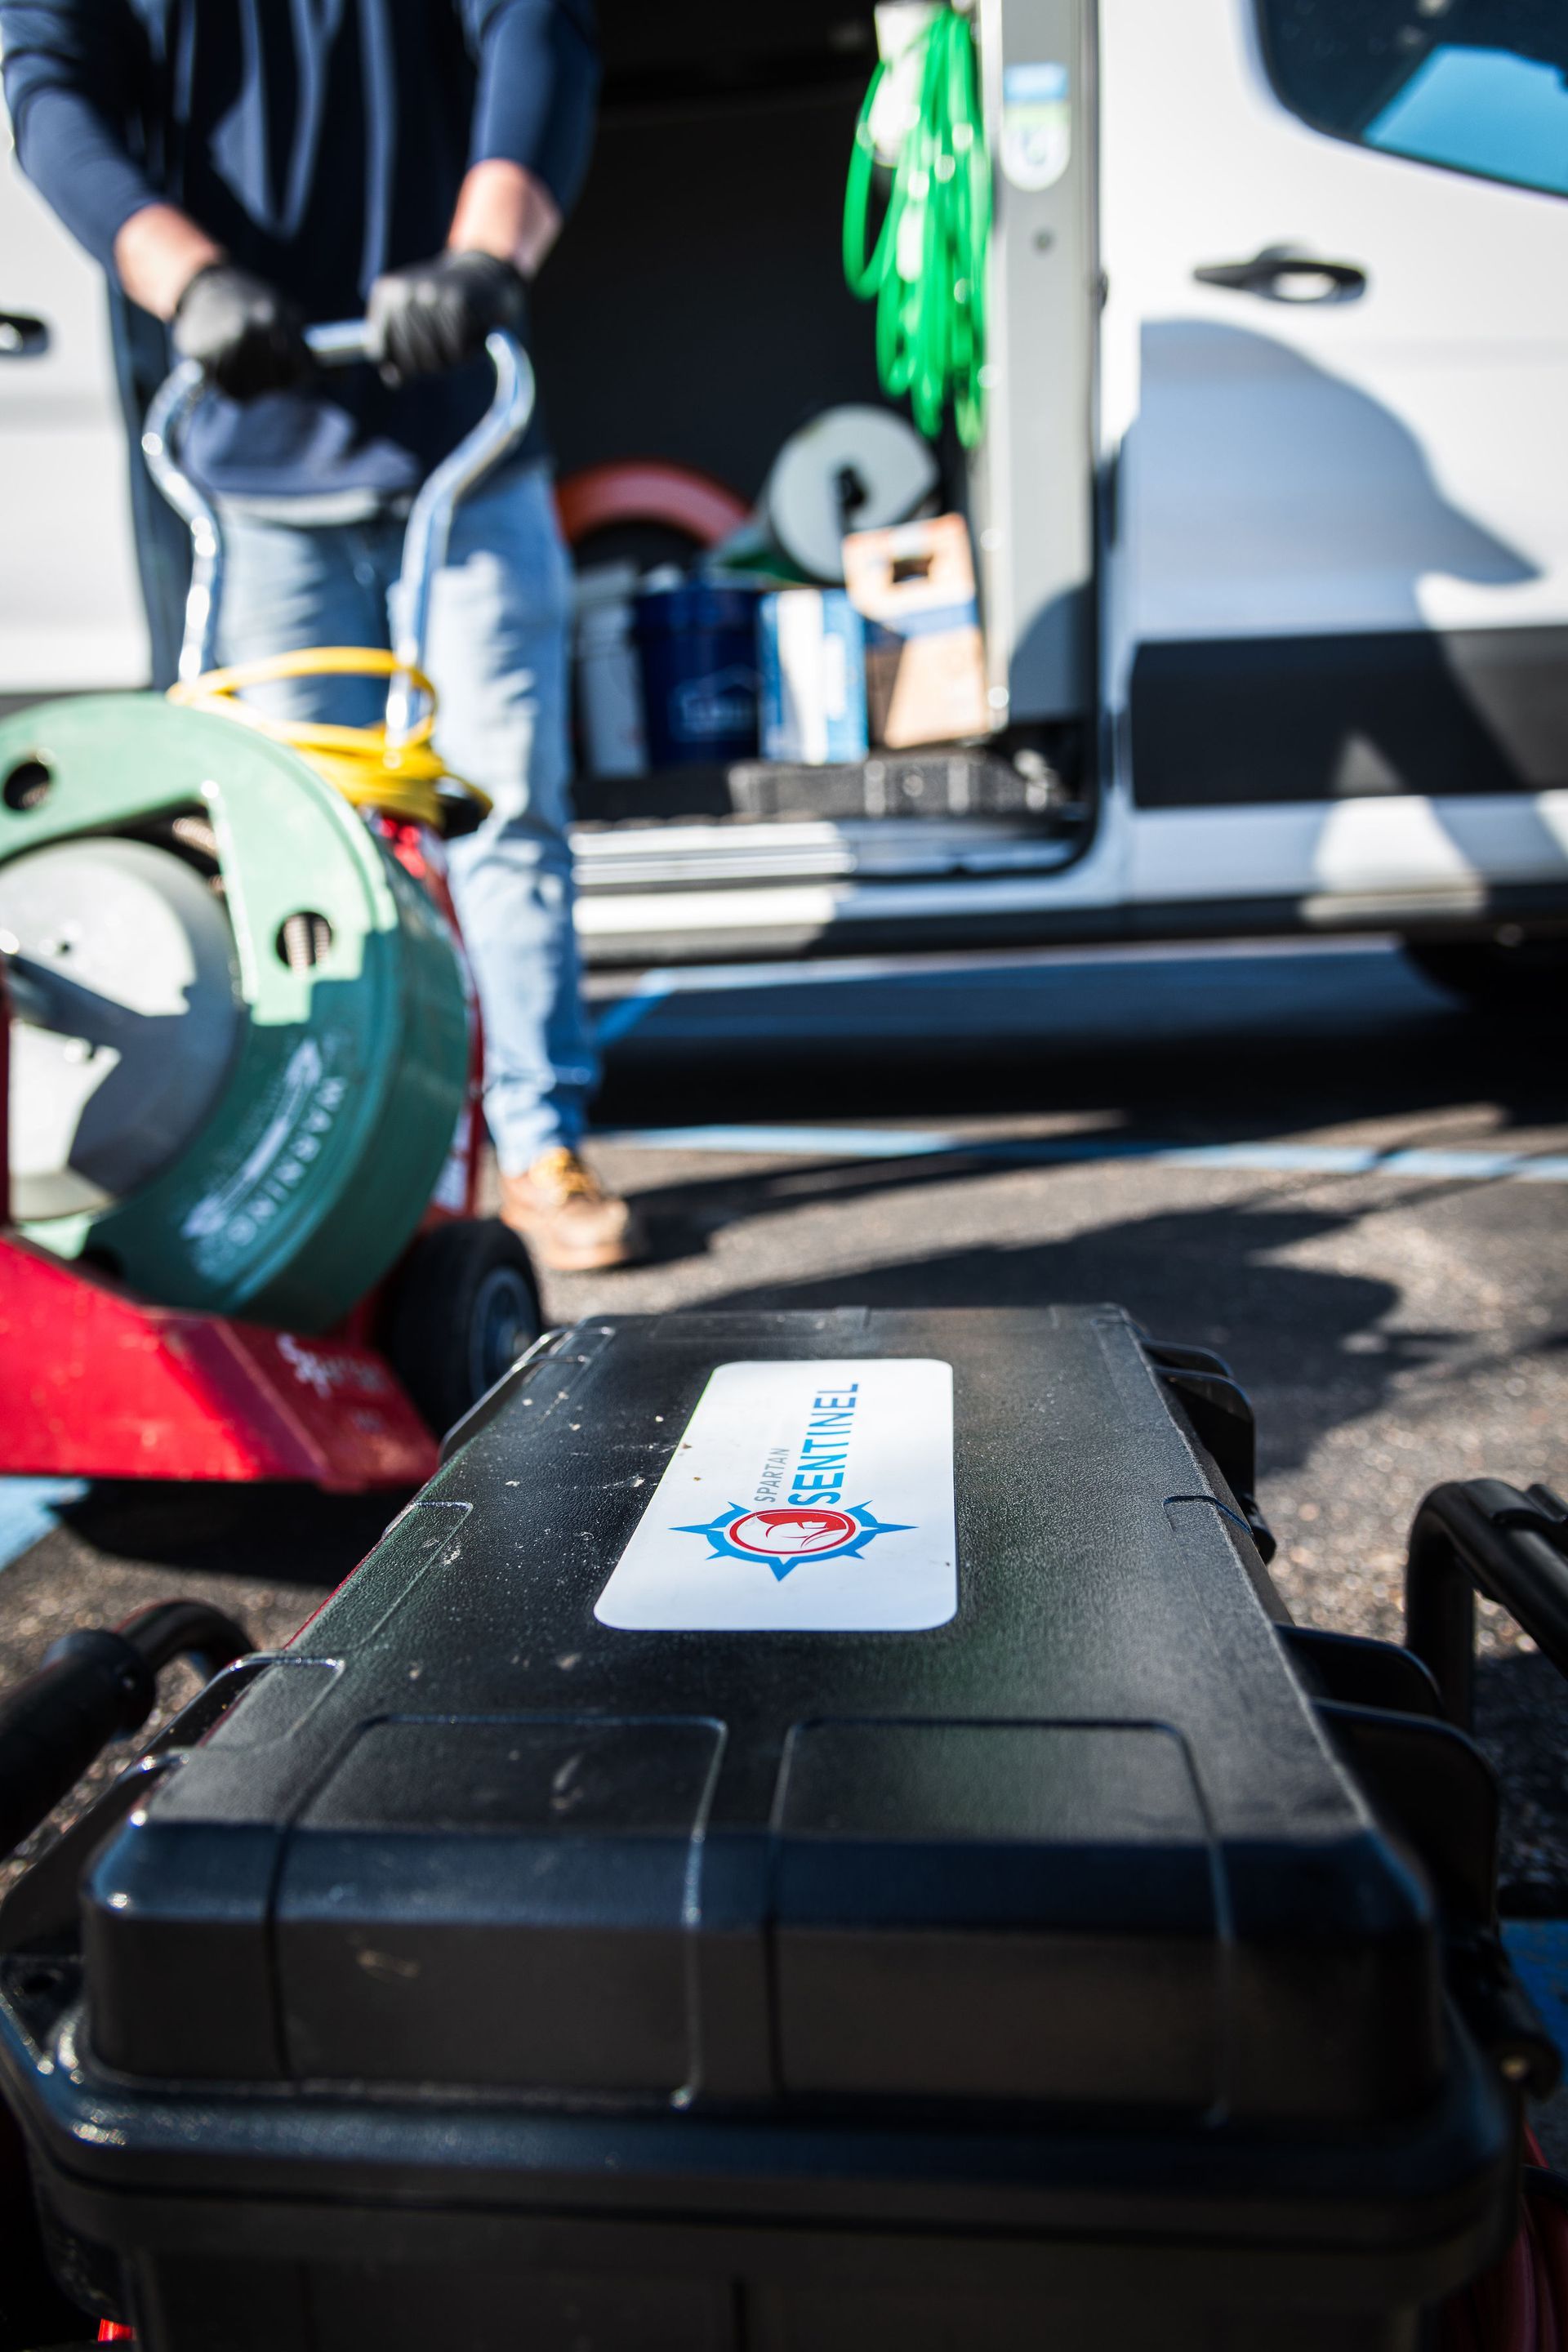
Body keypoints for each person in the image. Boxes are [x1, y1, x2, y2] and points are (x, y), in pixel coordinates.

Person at [0, 0, 645, 1273]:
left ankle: (537, 1144)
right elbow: (48, 92)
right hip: (252, 464)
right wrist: (189, 279)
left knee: (499, 811)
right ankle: (357, 1167)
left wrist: (484, 258)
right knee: (303, 840)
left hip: (463, 447)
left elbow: (538, 31)